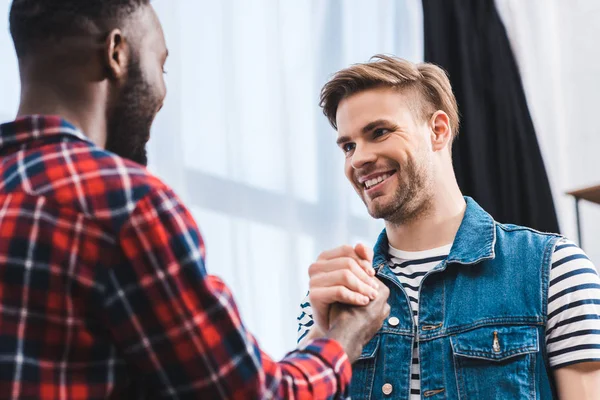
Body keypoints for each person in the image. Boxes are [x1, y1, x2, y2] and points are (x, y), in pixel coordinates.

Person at [0, 1, 391, 398]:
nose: (163, 93)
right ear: (116, 53)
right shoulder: (124, 204)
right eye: (160, 65)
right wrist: (346, 335)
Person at [297, 55, 600, 399]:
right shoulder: (329, 299)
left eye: (379, 132)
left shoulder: (555, 269)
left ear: (438, 130)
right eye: (348, 146)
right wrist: (324, 334)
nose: (358, 159)